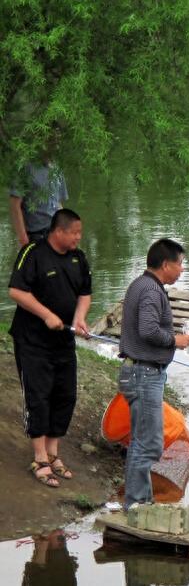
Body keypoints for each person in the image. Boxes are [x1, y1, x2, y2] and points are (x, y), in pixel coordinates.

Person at [8, 208, 92, 488]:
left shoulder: (78, 258)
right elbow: (16, 291)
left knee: (64, 395)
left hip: (63, 341)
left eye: (80, 233)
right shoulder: (33, 252)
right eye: (75, 233)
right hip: (33, 341)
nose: (78, 238)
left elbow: (84, 294)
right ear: (59, 231)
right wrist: (45, 314)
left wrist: (79, 318)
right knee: (39, 395)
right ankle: (40, 458)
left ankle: (54, 452)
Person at [118, 238, 189, 511]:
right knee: (148, 443)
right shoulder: (151, 290)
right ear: (166, 264)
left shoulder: (142, 284)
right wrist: (177, 340)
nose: (182, 269)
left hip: (139, 372)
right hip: (143, 374)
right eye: (180, 263)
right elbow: (148, 330)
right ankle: (138, 505)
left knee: (143, 440)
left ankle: (140, 501)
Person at [9, 156, 68, 247]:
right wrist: (23, 238)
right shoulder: (25, 167)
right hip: (35, 236)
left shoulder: (57, 168)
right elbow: (15, 205)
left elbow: (58, 203)